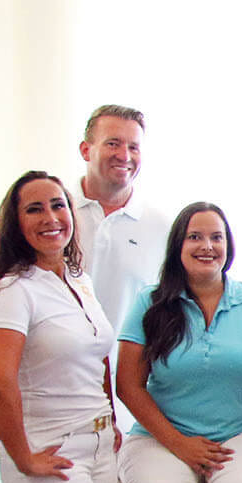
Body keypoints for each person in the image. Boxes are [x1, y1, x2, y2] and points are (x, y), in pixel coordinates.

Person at [117, 203, 242, 483]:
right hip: (160, 439)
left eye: (217, 237)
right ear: (177, 246)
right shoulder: (150, 302)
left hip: (241, 435)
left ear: (229, 245)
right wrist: (179, 443)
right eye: (195, 237)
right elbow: (128, 385)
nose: (207, 246)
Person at [0, 171, 121, 483]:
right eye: (34, 209)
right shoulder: (15, 289)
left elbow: (97, 356)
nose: (50, 218)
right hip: (51, 449)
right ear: (16, 224)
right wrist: (24, 457)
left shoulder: (79, 279)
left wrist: (109, 419)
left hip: (99, 445)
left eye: (59, 205)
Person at [72, 104, 170, 327]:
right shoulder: (54, 219)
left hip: (130, 361)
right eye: (113, 144)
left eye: (133, 147)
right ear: (86, 150)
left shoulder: (162, 228)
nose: (124, 156)